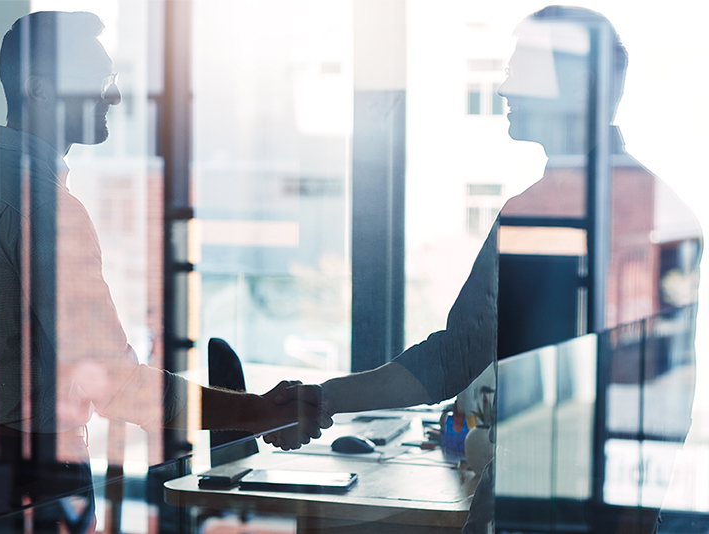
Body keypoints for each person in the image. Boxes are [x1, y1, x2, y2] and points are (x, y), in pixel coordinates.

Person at [268, 6, 701, 534]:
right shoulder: (664, 206)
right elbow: (664, 391)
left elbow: (457, 355)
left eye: (520, 73)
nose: (503, 90)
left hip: (543, 510)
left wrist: (325, 398)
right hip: (618, 510)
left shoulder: (545, 212)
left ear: (575, 87)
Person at [0, 11, 326, 533]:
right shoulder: (43, 209)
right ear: (40, 91)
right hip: (30, 473)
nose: (112, 97)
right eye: (98, 82)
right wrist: (259, 412)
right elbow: (116, 385)